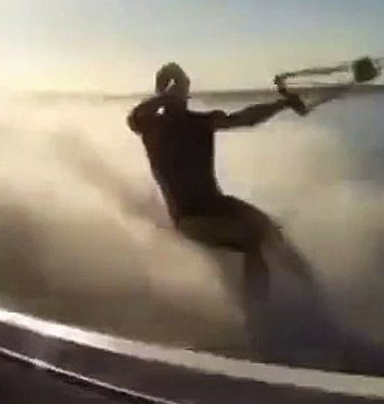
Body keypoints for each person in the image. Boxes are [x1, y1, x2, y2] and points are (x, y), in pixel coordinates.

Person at [127, 62, 314, 303]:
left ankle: (314, 298)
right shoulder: (150, 126)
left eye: (184, 89)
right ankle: (262, 319)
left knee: (274, 232)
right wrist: (166, 96)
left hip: (219, 204)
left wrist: (283, 103)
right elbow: (135, 116)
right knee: (250, 241)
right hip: (189, 219)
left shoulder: (200, 122)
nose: (181, 96)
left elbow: (244, 118)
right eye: (176, 90)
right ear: (162, 95)